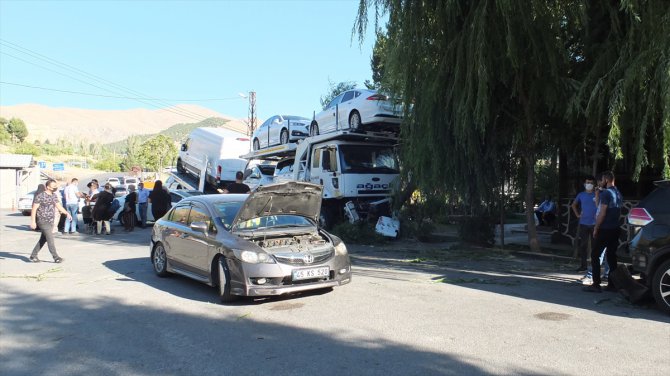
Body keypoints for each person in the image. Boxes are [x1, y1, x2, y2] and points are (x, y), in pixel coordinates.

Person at [583, 171, 623, 293]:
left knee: (595, 255)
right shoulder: (617, 192)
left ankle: (596, 284)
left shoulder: (606, 193)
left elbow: (602, 212)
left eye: (601, 180)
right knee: (611, 257)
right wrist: (597, 194)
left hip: (605, 229)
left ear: (606, 180)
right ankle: (612, 284)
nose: (600, 183)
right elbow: (601, 206)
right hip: (615, 228)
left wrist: (596, 228)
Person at [29, 179, 71, 263]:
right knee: (50, 239)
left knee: (43, 239)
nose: (55, 188)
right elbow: (34, 209)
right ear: (47, 187)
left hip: (51, 221)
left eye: (56, 186)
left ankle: (33, 256)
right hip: (42, 221)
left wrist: (67, 213)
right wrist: (33, 221)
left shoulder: (54, 195)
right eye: (53, 186)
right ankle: (56, 257)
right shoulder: (40, 196)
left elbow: (59, 206)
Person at [571, 176, 597, 272]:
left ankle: (595, 266)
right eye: (587, 182)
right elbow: (573, 205)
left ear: (594, 185)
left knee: (595, 246)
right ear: (584, 184)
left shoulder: (597, 194)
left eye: (591, 182)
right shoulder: (581, 194)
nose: (589, 184)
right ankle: (583, 266)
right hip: (584, 223)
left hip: (595, 224)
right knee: (583, 246)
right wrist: (577, 215)